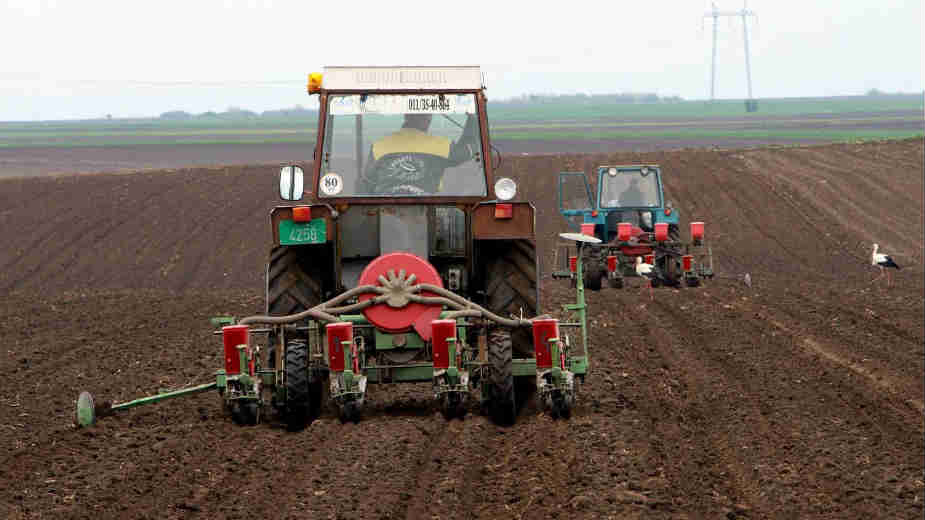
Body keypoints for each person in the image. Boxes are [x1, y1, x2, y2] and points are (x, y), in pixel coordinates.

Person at [360, 112, 478, 195]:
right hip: (424, 214)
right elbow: (469, 148)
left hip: (385, 215)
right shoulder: (441, 147)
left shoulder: (379, 146)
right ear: (428, 119)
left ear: (406, 116)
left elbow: (368, 184)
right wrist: (472, 117)